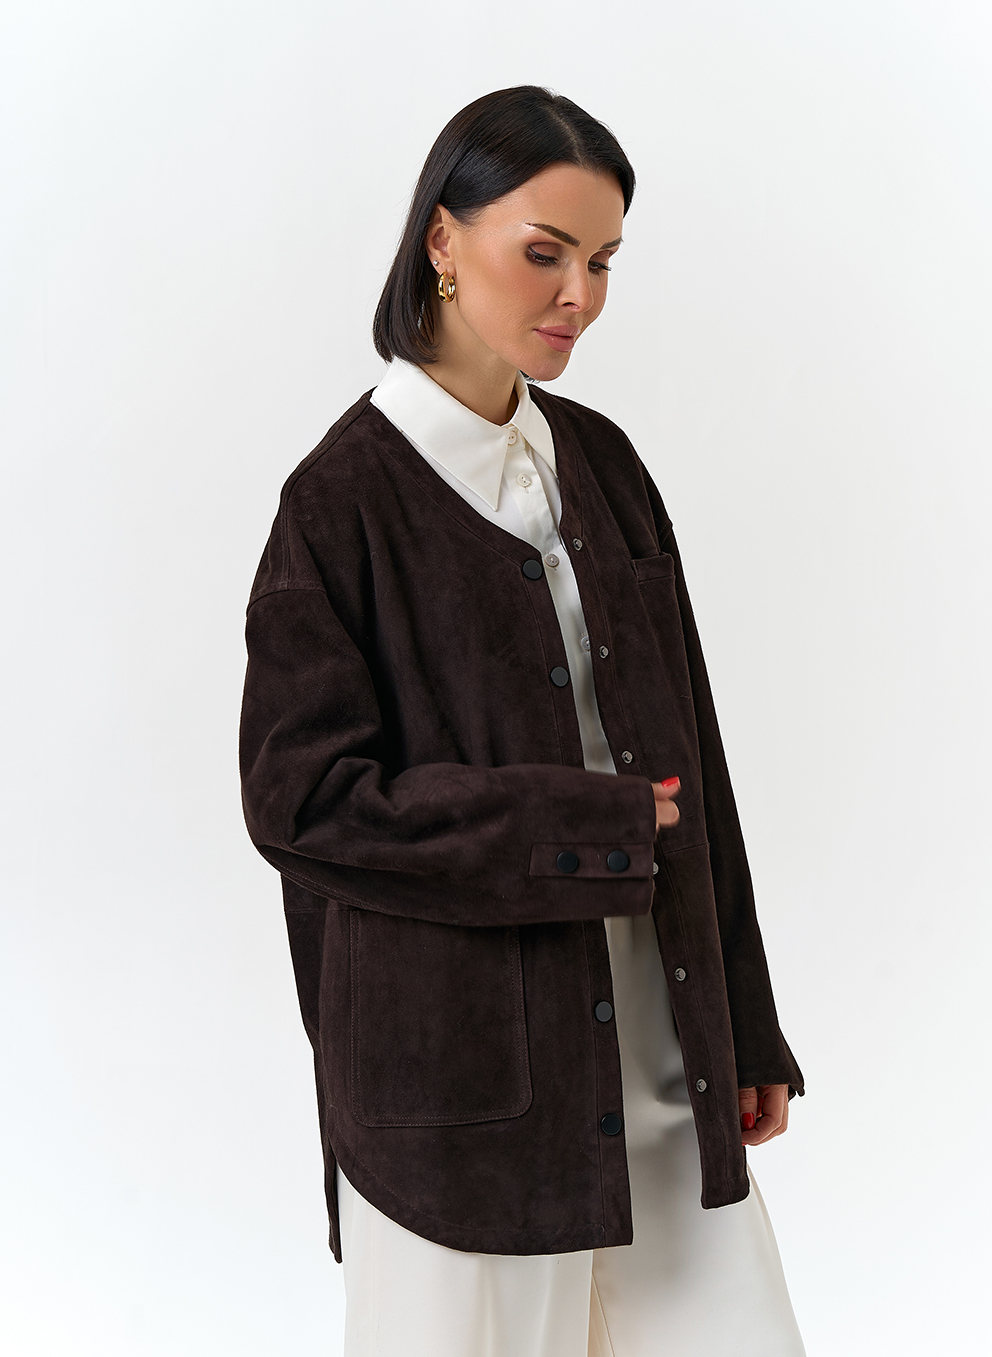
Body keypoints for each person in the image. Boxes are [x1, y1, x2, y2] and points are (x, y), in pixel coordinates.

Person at [240, 85, 806, 1357]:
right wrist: (581, 828)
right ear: (441, 239)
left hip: (657, 1046)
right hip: (463, 1097)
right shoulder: (338, 503)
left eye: (601, 262)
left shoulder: (601, 463)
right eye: (543, 252)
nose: (577, 296)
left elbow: (693, 759)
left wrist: (744, 1015)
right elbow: (301, 804)